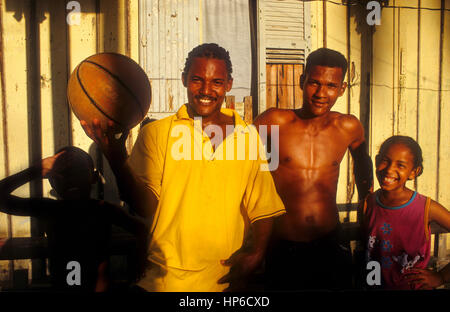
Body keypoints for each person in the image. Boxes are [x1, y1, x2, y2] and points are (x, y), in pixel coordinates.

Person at [80, 43, 285, 292]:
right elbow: (143, 205)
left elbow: (263, 205)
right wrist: (115, 155)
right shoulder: (156, 133)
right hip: (165, 280)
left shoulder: (249, 137)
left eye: (216, 82)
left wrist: (256, 253)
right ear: (184, 80)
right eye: (197, 80)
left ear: (229, 84)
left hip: (225, 280)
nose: (206, 90)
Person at [253, 47, 373, 290]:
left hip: (329, 241)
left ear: (342, 88)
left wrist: (366, 204)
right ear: (302, 81)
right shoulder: (274, 121)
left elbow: (363, 165)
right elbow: (239, 164)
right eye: (314, 83)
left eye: (331, 86)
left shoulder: (348, 127)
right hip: (282, 243)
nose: (321, 93)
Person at [0, 146, 146, 292]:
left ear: (94, 177)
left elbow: (145, 232)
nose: (72, 179)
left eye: (79, 172)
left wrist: (140, 259)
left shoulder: (102, 209)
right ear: (52, 182)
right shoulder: (51, 209)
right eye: (63, 173)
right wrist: (34, 171)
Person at [359, 135, 450, 290]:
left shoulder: (426, 208)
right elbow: (369, 251)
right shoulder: (368, 204)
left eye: (400, 165)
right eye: (385, 160)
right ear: (376, 161)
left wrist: (441, 276)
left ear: (414, 172)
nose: (389, 169)